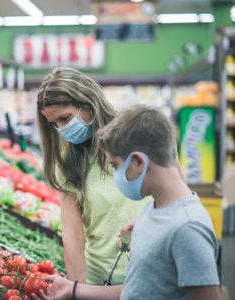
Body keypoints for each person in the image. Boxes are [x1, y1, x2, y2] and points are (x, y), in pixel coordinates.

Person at [34, 105, 221, 300]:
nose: (115, 176)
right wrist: (72, 289)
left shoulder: (187, 228)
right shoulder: (153, 211)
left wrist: (73, 290)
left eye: (115, 166)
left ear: (139, 162)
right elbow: (140, 290)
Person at [36, 67, 151, 285]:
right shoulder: (68, 163)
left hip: (153, 277)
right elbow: (73, 234)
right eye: (54, 124)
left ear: (88, 103)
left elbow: (177, 200)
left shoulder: (142, 136)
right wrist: (77, 289)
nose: (61, 129)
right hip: (101, 281)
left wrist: (149, 222)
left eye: (65, 118)